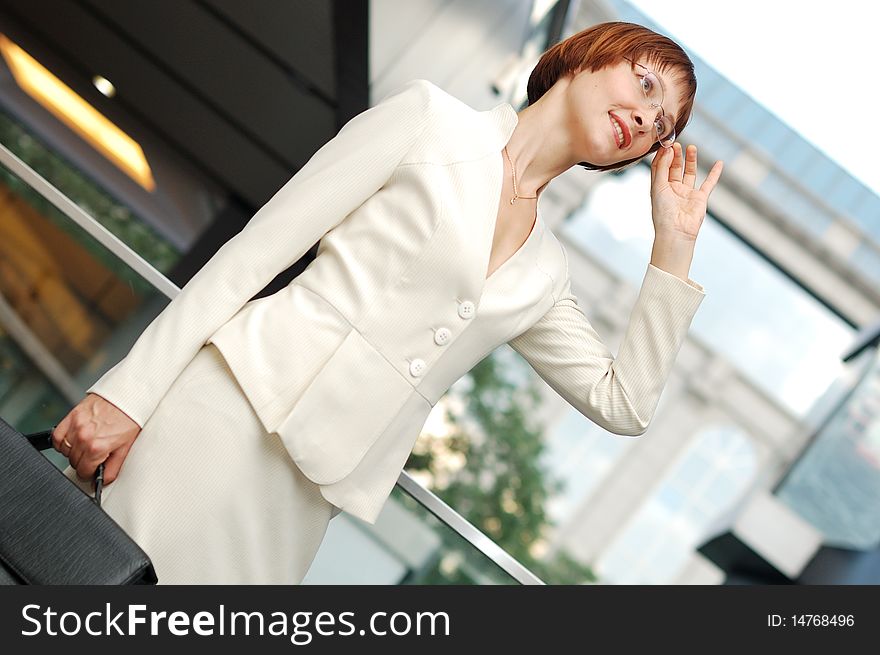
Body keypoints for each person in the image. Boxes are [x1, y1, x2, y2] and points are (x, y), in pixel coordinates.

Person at [55, 21, 722, 584]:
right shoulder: (430, 120)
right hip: (227, 414)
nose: (644, 119)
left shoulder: (546, 272)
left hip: (309, 499)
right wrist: (129, 394)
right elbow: (253, 255)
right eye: (644, 86)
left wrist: (674, 246)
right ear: (586, 56)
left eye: (660, 125)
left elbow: (625, 404)